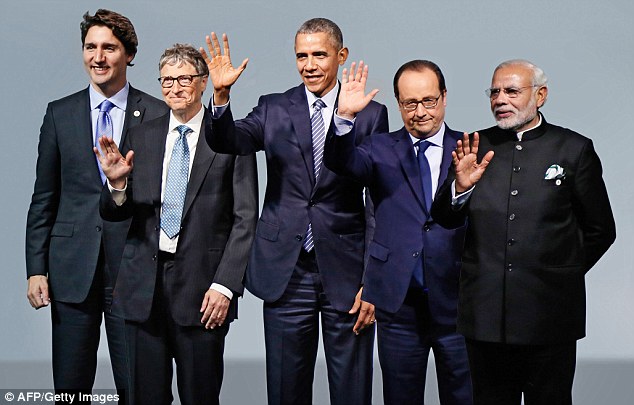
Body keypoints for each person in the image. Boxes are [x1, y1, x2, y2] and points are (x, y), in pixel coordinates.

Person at [200, 18, 388, 405]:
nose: (310, 64)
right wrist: (220, 97)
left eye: (320, 54)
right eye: (302, 56)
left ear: (342, 55)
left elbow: (378, 202)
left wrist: (374, 277)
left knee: (352, 390)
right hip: (286, 271)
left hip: (347, 271)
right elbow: (227, 140)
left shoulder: (370, 114)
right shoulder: (274, 107)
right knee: (286, 389)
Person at [431, 59, 616, 405]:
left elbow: (600, 230)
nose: (500, 99)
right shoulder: (474, 145)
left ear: (540, 95)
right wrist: (461, 188)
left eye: (512, 91)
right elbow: (443, 217)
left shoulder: (574, 149)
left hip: (550, 316)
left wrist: (559, 274)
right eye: (495, 91)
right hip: (485, 317)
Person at [95, 43, 257, 405]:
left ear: (202, 83)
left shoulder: (232, 137)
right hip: (142, 291)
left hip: (204, 291)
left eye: (184, 78)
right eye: (167, 80)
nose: (175, 88)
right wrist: (117, 185)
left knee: (200, 396)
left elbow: (246, 219)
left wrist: (226, 286)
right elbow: (116, 212)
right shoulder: (143, 134)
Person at [25, 9, 167, 398]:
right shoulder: (60, 113)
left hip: (134, 270)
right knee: (70, 390)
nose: (98, 57)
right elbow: (44, 197)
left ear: (129, 54)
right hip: (71, 270)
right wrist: (36, 269)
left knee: (141, 390)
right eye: (90, 47)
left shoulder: (158, 113)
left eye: (109, 47)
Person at [325, 60, 473, 404]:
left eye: (429, 101)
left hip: (457, 301)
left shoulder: (466, 149)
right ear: (398, 103)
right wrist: (344, 118)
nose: (420, 112)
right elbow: (342, 163)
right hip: (397, 301)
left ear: (444, 98)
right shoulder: (378, 148)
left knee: (465, 396)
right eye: (410, 103)